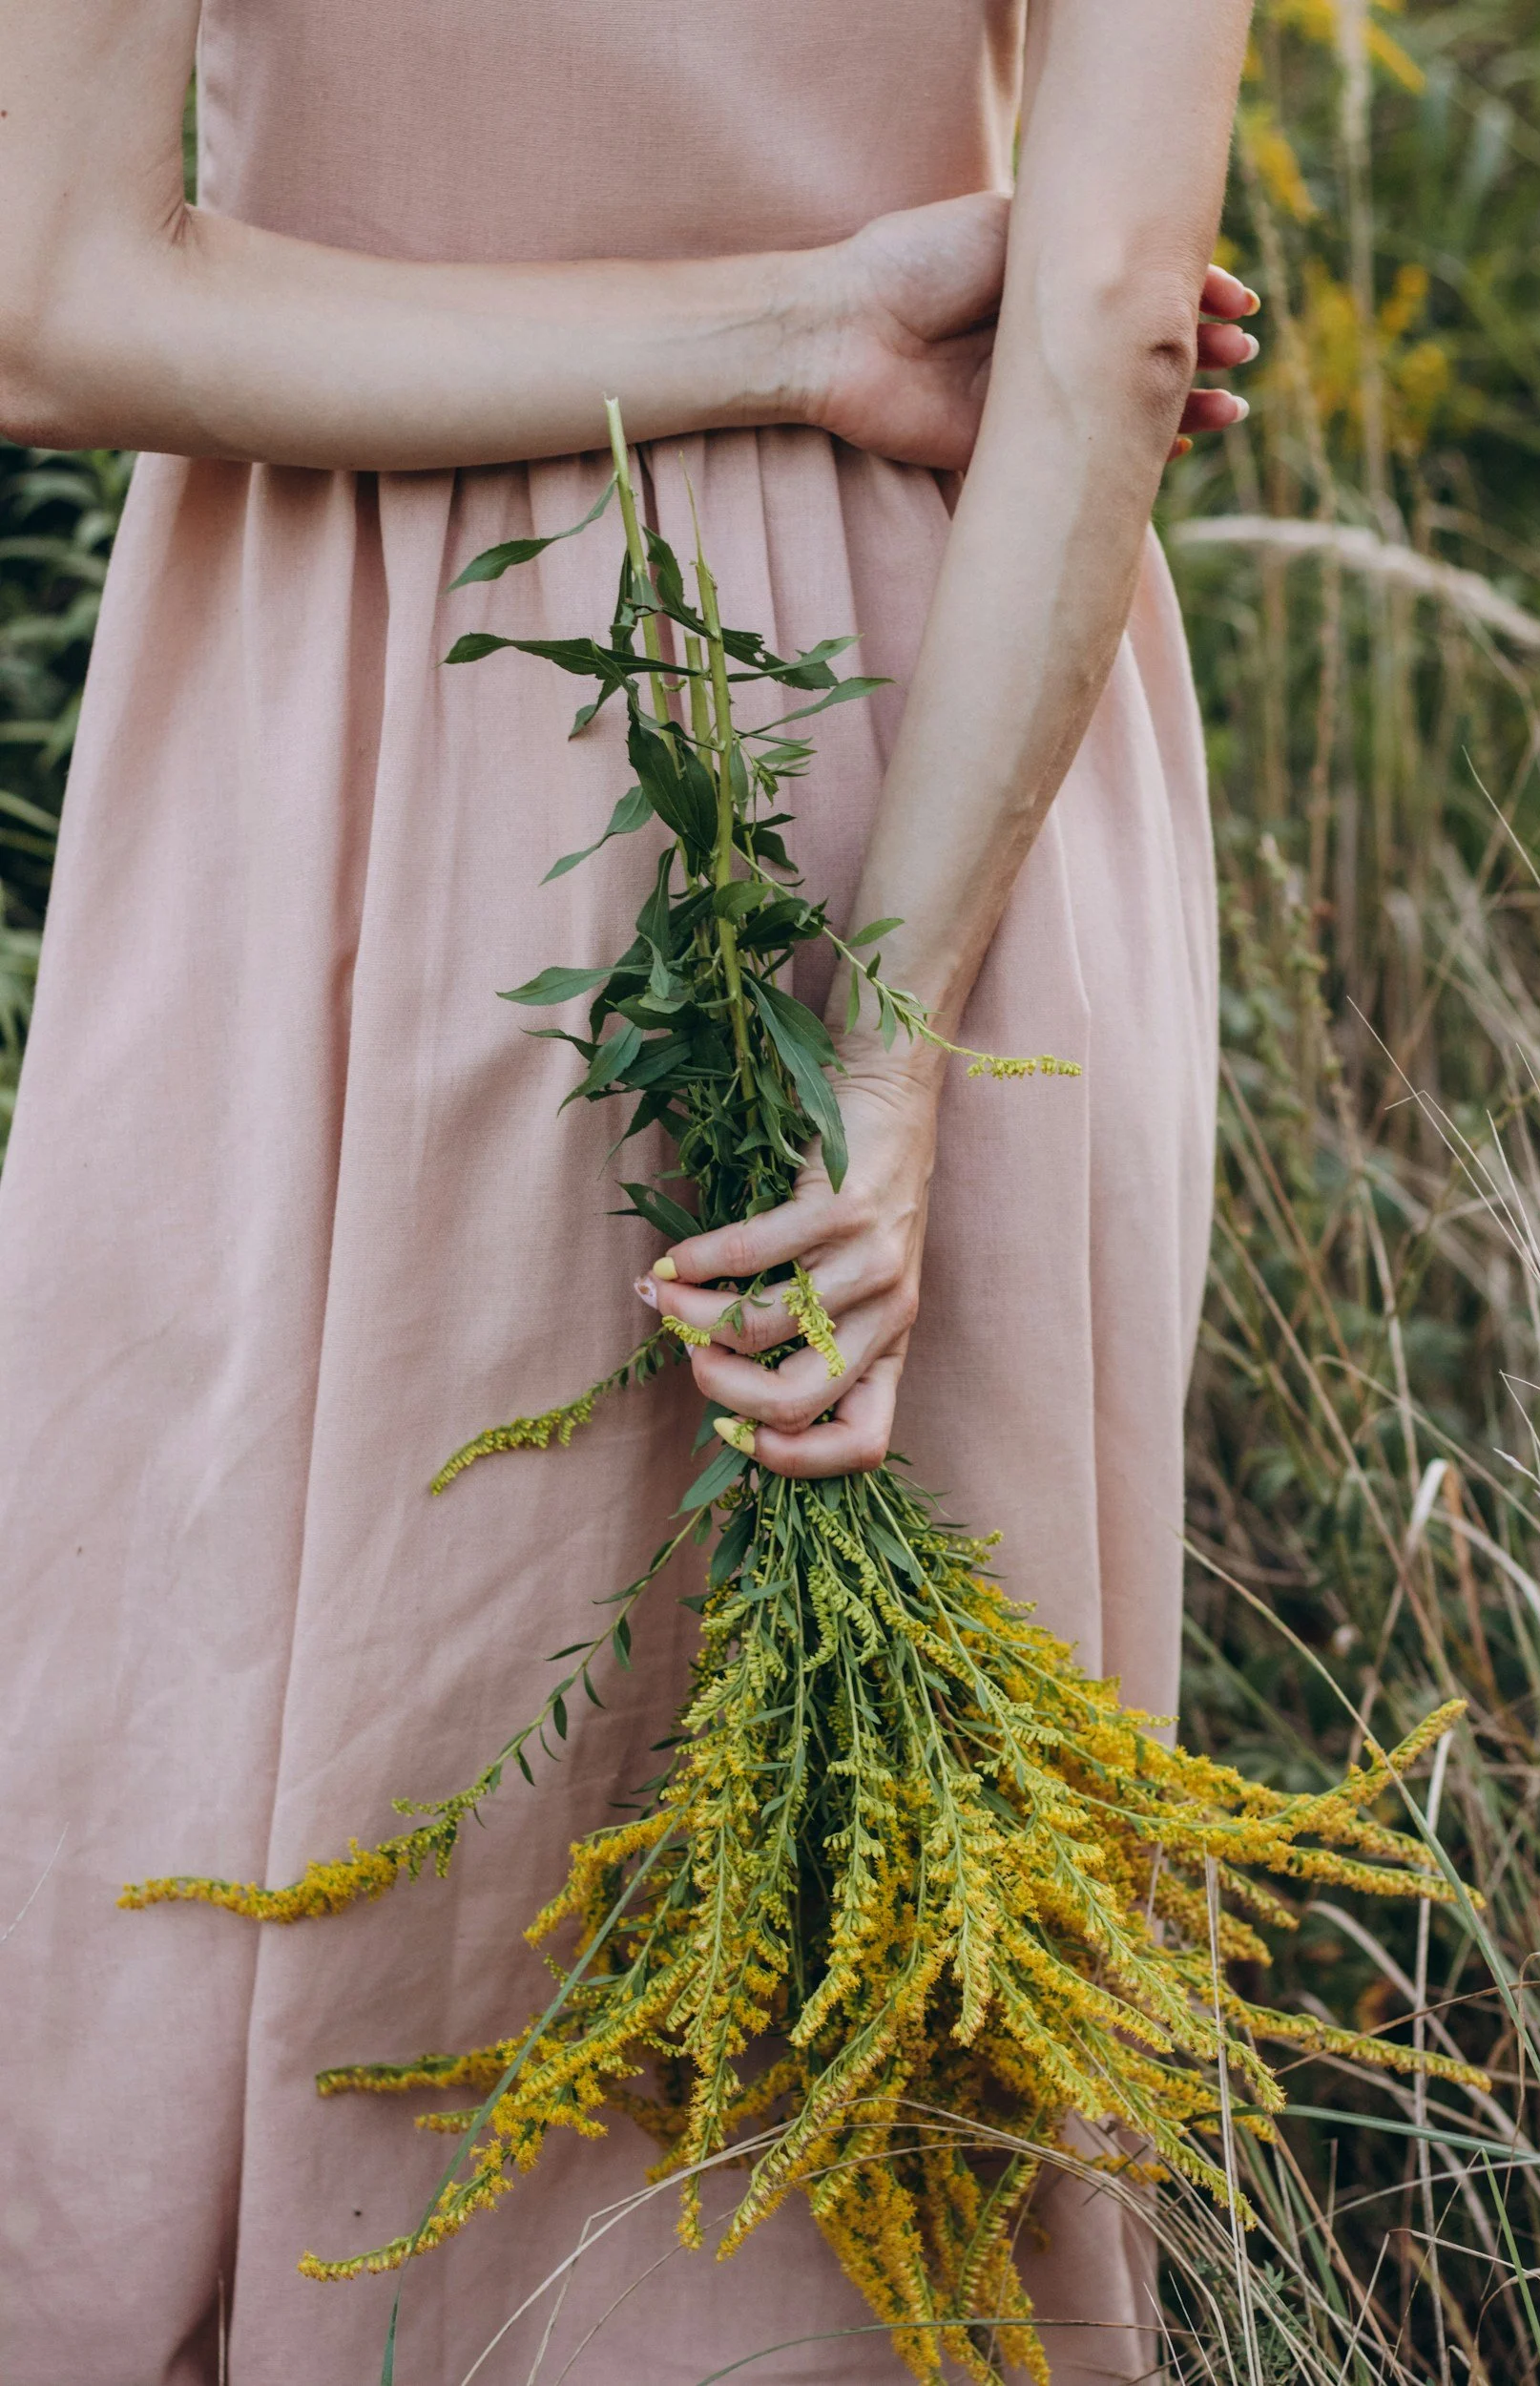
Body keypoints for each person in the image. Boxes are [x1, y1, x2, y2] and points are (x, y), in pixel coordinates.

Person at [0, 3, 1256, 2379]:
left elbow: (42, 297)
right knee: (882, 2022)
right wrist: (888, 1044)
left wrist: (792, 326)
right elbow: (1102, 315)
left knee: (284, 1777)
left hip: (365, 716)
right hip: (937, 714)